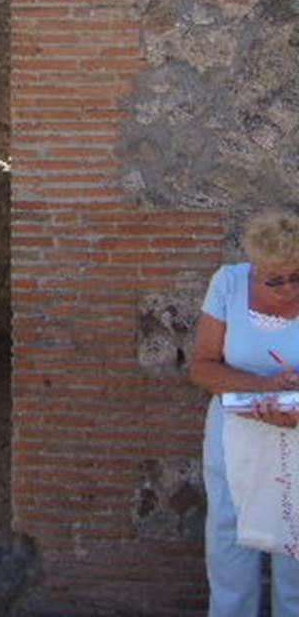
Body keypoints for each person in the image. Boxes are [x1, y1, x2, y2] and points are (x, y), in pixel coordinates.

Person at [190, 208, 299, 617]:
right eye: (275, 279)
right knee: (230, 543)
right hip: (234, 436)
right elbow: (202, 366)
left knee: (297, 549)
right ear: (254, 268)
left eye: (295, 276)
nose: (287, 288)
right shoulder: (228, 284)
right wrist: (263, 387)